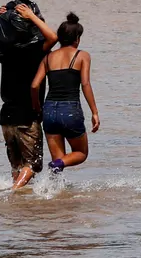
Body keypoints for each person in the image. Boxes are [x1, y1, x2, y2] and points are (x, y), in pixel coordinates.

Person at [0, 0, 58, 189]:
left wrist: (1, 19)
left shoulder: (6, 49)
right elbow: (53, 37)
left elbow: (5, 33)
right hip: (26, 116)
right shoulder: (33, 50)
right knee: (33, 165)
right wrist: (31, 16)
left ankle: (17, 207)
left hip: (6, 116)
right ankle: (12, 193)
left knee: (17, 166)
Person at [30, 13, 99, 174]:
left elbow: (34, 86)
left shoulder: (48, 58)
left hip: (49, 110)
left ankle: (53, 195)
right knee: (81, 153)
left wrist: (37, 108)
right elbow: (85, 84)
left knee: (58, 162)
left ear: (60, 37)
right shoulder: (82, 55)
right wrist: (94, 112)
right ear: (77, 38)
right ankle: (56, 169)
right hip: (70, 110)